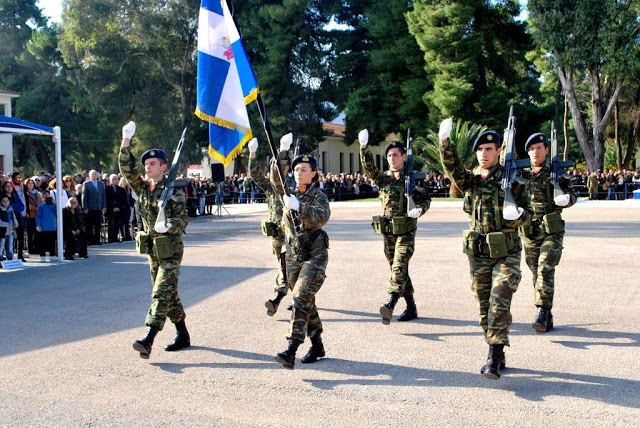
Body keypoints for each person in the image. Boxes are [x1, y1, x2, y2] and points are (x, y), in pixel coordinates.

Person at [439, 119, 532, 380]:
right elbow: (453, 170)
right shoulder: (471, 180)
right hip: (478, 253)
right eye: (480, 150)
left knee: (499, 298)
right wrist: (445, 144)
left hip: (507, 251)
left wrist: (518, 214)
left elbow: (530, 213)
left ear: (499, 151)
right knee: (483, 306)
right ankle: (497, 349)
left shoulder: (513, 177)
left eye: (489, 149)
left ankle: (493, 354)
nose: (484, 154)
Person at [119, 121, 190, 359]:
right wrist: (125, 141)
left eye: (152, 164)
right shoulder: (144, 189)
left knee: (161, 293)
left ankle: (148, 339)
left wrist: (169, 225)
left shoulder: (174, 190)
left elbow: (183, 220)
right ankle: (183, 334)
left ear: (163, 166)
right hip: (153, 251)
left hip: (170, 250)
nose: (147, 167)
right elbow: (126, 170)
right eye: (146, 164)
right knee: (170, 296)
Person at [358, 129, 431, 324]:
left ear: (403, 157)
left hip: (406, 231)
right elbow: (369, 168)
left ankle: (390, 303)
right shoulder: (384, 179)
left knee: (399, 265)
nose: (392, 159)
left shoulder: (414, 178)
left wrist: (420, 210)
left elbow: (425, 199)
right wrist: (363, 148)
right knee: (398, 269)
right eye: (389, 156)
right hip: (388, 232)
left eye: (395, 155)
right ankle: (412, 307)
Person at [268, 146, 330, 370]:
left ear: (314, 173)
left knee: (300, 296)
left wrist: (300, 207)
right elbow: (275, 179)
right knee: (306, 301)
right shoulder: (288, 193)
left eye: (304, 169)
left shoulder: (318, 196)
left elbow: (322, 218)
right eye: (295, 169)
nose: (298, 173)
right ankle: (318, 345)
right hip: (293, 255)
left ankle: (291, 349)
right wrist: (281, 153)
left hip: (314, 254)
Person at [519, 133, 577, 333]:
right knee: (536, 271)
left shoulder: (556, 172)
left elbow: (573, 195)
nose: (535, 152)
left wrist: (566, 199)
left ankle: (542, 311)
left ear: (546, 149)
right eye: (531, 149)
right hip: (529, 231)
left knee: (545, 267)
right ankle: (547, 314)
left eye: (538, 148)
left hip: (551, 230)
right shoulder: (521, 173)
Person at [248, 135, 292, 316]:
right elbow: (255, 174)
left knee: (287, 265)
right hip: (276, 233)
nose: (276, 168)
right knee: (285, 266)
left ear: (287, 167)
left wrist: (282, 150)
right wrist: (252, 154)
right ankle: (301, 297)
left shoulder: (294, 184)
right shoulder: (270, 187)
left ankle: (278, 297)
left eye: (280, 165)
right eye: (275, 165)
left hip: (292, 234)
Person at [82, 170, 106, 245]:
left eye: (95, 174)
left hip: (98, 207)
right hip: (90, 208)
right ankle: (90, 240)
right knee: (89, 225)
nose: (94, 176)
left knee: (98, 225)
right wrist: (85, 207)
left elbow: (103, 196)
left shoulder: (101, 184)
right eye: (92, 174)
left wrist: (104, 206)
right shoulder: (86, 184)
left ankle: (97, 240)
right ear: (90, 176)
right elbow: (84, 197)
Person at [35, 189, 58, 262]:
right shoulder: (41, 206)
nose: (47, 197)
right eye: (45, 196)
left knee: (52, 242)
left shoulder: (54, 206)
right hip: (43, 227)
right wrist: (38, 225)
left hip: (52, 226)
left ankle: (52, 255)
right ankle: (42, 256)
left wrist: (55, 204)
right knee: (43, 242)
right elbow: (38, 216)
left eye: (48, 196)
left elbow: (58, 213)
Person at [24, 177, 43, 257]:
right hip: (30, 215)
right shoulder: (25, 193)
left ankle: (37, 248)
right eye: (29, 183)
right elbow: (27, 205)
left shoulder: (37, 193)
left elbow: (41, 202)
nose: (31, 185)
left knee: (37, 233)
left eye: (32, 183)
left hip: (37, 216)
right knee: (30, 233)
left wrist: (40, 209)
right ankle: (31, 249)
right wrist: (36, 209)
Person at [105, 174, 127, 243]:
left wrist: (118, 207)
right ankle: (110, 238)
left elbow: (123, 199)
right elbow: (106, 199)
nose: (114, 181)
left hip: (118, 209)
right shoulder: (106, 189)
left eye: (116, 179)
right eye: (113, 179)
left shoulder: (121, 189)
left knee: (117, 224)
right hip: (110, 209)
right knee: (111, 224)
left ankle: (115, 237)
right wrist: (112, 208)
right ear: (110, 180)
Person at [0, 194, 19, 263]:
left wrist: (16, 223)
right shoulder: (0, 210)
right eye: (4, 201)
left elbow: (14, 218)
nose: (6, 203)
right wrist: (7, 224)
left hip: (10, 231)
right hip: (2, 232)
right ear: (1, 202)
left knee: (10, 247)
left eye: (7, 201)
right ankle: (0, 261)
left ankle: (10, 261)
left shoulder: (11, 210)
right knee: (1, 247)